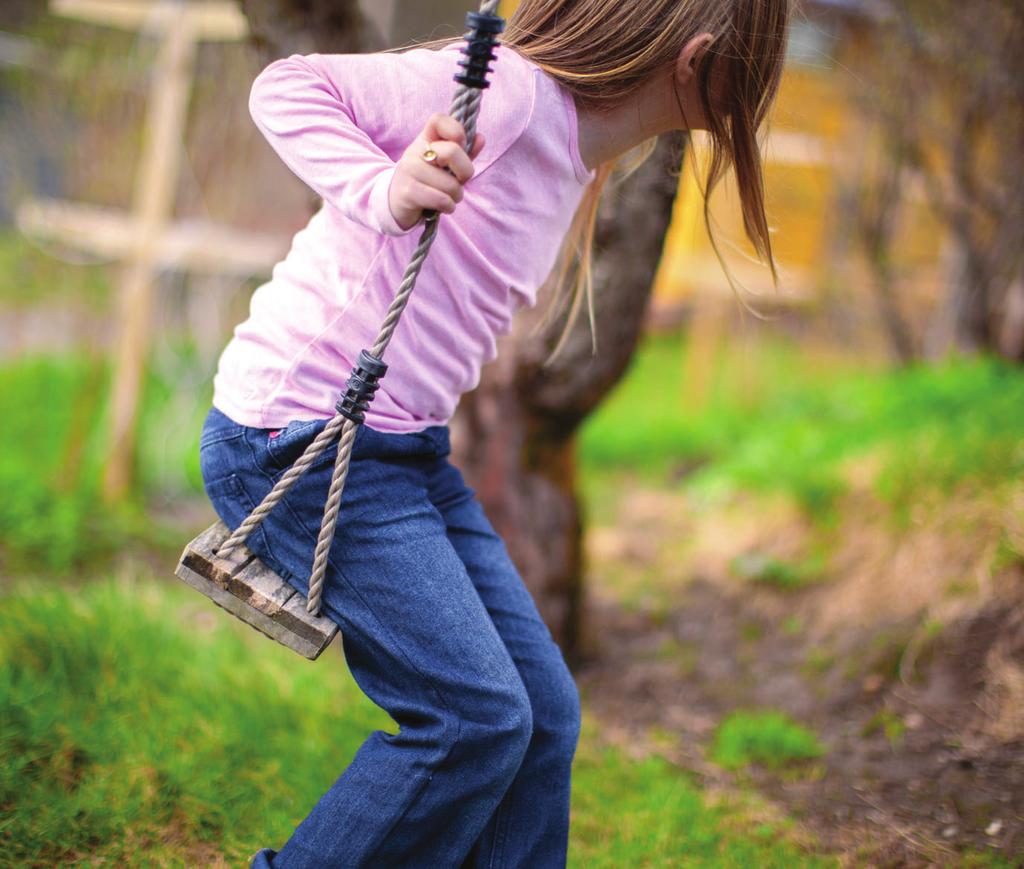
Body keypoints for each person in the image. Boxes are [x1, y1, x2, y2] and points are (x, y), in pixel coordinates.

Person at [198, 0, 791, 865]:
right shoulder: (511, 95)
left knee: (544, 718)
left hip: (405, 451)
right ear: (699, 60)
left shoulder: (576, 147)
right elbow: (288, 85)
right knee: (473, 719)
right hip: (302, 438)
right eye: (756, 77)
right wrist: (384, 188)